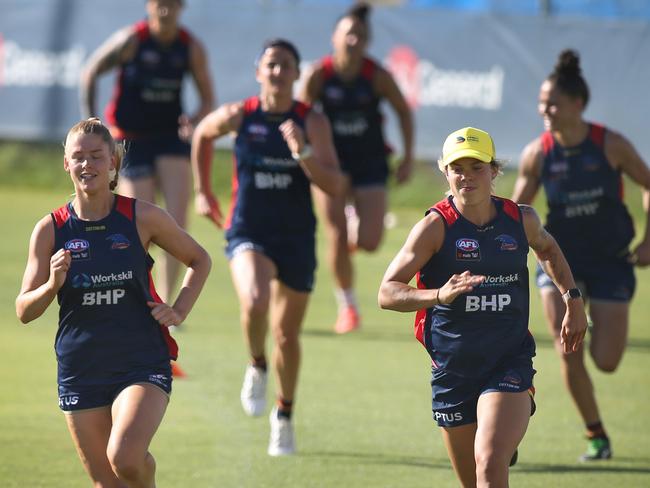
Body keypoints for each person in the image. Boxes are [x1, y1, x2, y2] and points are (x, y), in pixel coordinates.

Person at [378, 127, 588, 487]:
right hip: (452, 369)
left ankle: (503, 432)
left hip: (508, 362)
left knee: (490, 464)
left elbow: (548, 250)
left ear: (494, 171)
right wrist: (438, 296)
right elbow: (387, 292)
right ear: (445, 172)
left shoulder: (521, 219)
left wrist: (572, 299)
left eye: (477, 167)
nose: (467, 177)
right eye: (458, 168)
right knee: (474, 481)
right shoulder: (435, 227)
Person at [15, 118, 211, 487]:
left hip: (140, 361)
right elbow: (24, 310)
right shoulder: (50, 229)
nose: (87, 165)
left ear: (113, 162)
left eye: (96, 156)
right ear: (66, 164)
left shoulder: (142, 217)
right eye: (78, 157)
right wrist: (52, 284)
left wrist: (180, 308)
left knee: (126, 457)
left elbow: (199, 260)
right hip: (80, 367)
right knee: (108, 483)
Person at [191, 39, 342, 456]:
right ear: (259, 71)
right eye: (271, 65)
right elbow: (203, 133)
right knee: (255, 302)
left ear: (297, 75)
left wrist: (303, 153)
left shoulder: (312, 122)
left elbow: (335, 184)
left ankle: (284, 414)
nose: (278, 72)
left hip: (295, 237)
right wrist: (203, 191)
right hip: (248, 228)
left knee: (287, 335)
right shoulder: (242, 115)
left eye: (286, 66)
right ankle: (256, 364)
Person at [512, 49, 650, 461]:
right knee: (566, 346)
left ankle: (593, 330)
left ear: (577, 104)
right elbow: (515, 212)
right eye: (541, 102)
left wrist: (648, 240)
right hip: (559, 260)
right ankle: (596, 435)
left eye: (552, 102)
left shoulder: (610, 145)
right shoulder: (538, 153)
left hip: (610, 260)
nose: (544, 109)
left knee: (606, 361)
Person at [80, 0, 215, 303]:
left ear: (182, 8)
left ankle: (165, 305)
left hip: (169, 138)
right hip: (131, 140)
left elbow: (208, 99)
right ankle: (136, 295)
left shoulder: (189, 47)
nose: (166, 11)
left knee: (176, 225)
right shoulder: (131, 41)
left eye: (172, 5)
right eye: (160, 5)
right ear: (149, 6)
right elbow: (90, 72)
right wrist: (91, 123)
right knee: (138, 224)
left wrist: (192, 121)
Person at [300, 2, 414, 334]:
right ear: (334, 38)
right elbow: (300, 115)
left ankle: (355, 217)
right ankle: (347, 307)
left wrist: (407, 158)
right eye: (348, 34)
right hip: (329, 163)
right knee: (335, 233)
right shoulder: (319, 75)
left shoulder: (376, 76)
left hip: (369, 161)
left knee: (371, 241)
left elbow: (403, 112)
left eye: (360, 36)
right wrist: (303, 158)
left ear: (367, 41)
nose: (354, 40)